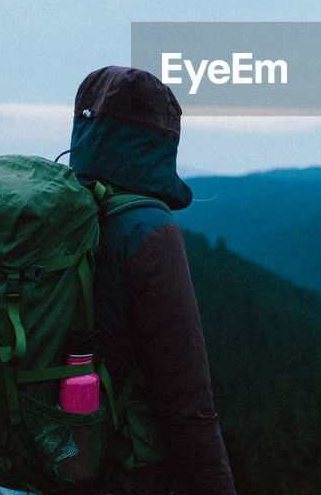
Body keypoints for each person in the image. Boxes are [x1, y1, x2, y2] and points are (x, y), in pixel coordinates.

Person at [63, 65, 236, 495]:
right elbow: (189, 408)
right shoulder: (148, 228)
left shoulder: (56, 212)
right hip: (117, 474)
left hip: (35, 465)